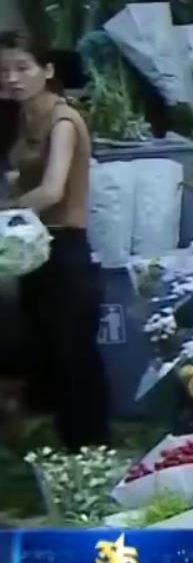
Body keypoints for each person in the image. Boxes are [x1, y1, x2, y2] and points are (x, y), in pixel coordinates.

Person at [0, 31, 111, 448]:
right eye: (3, 71)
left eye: (22, 68)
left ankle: (93, 447)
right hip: (32, 250)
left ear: (47, 70)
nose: (11, 79)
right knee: (47, 352)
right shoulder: (20, 119)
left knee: (74, 355)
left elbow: (51, 191)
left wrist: (7, 209)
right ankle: (67, 449)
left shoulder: (63, 121)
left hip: (65, 249)